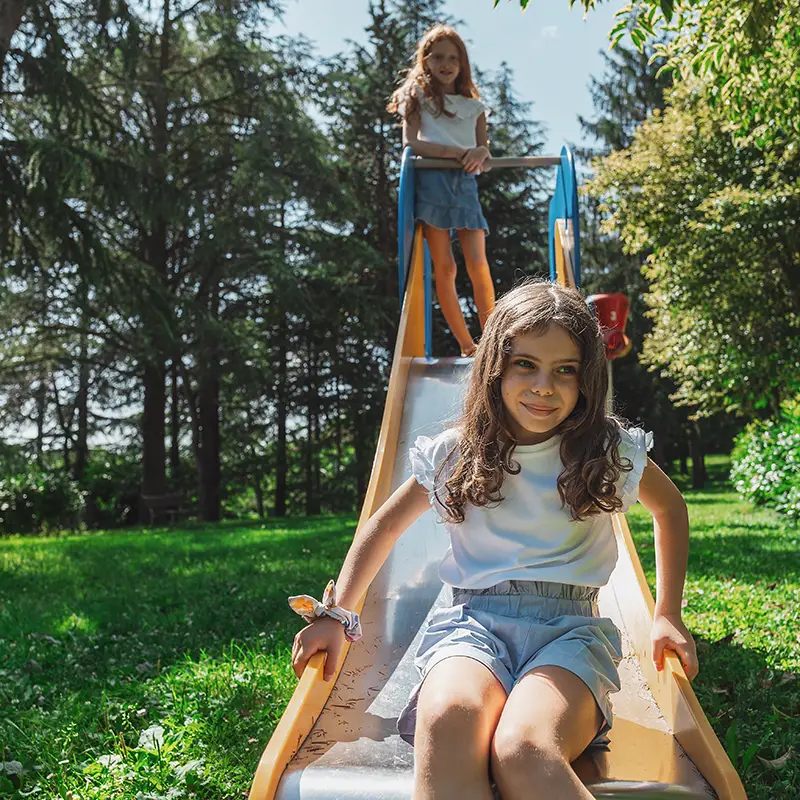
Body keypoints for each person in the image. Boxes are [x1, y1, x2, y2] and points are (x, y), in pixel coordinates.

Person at [289, 281, 699, 800]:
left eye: (565, 370)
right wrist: (337, 614)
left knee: (523, 749)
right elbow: (384, 526)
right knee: (447, 723)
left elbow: (670, 510)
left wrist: (667, 613)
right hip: (472, 626)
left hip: (569, 633)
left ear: (587, 378)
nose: (543, 386)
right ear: (495, 368)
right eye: (525, 364)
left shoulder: (605, 449)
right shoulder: (457, 451)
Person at [387, 24, 495, 358]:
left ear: (462, 64)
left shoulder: (474, 108)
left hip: (464, 184)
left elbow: (483, 156)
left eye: (453, 58)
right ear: (426, 60)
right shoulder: (417, 98)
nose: (446, 64)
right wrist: (453, 153)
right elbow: (412, 143)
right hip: (432, 182)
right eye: (438, 57)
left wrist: (480, 153)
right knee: (445, 267)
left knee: (478, 264)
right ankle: (467, 344)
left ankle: (492, 337)